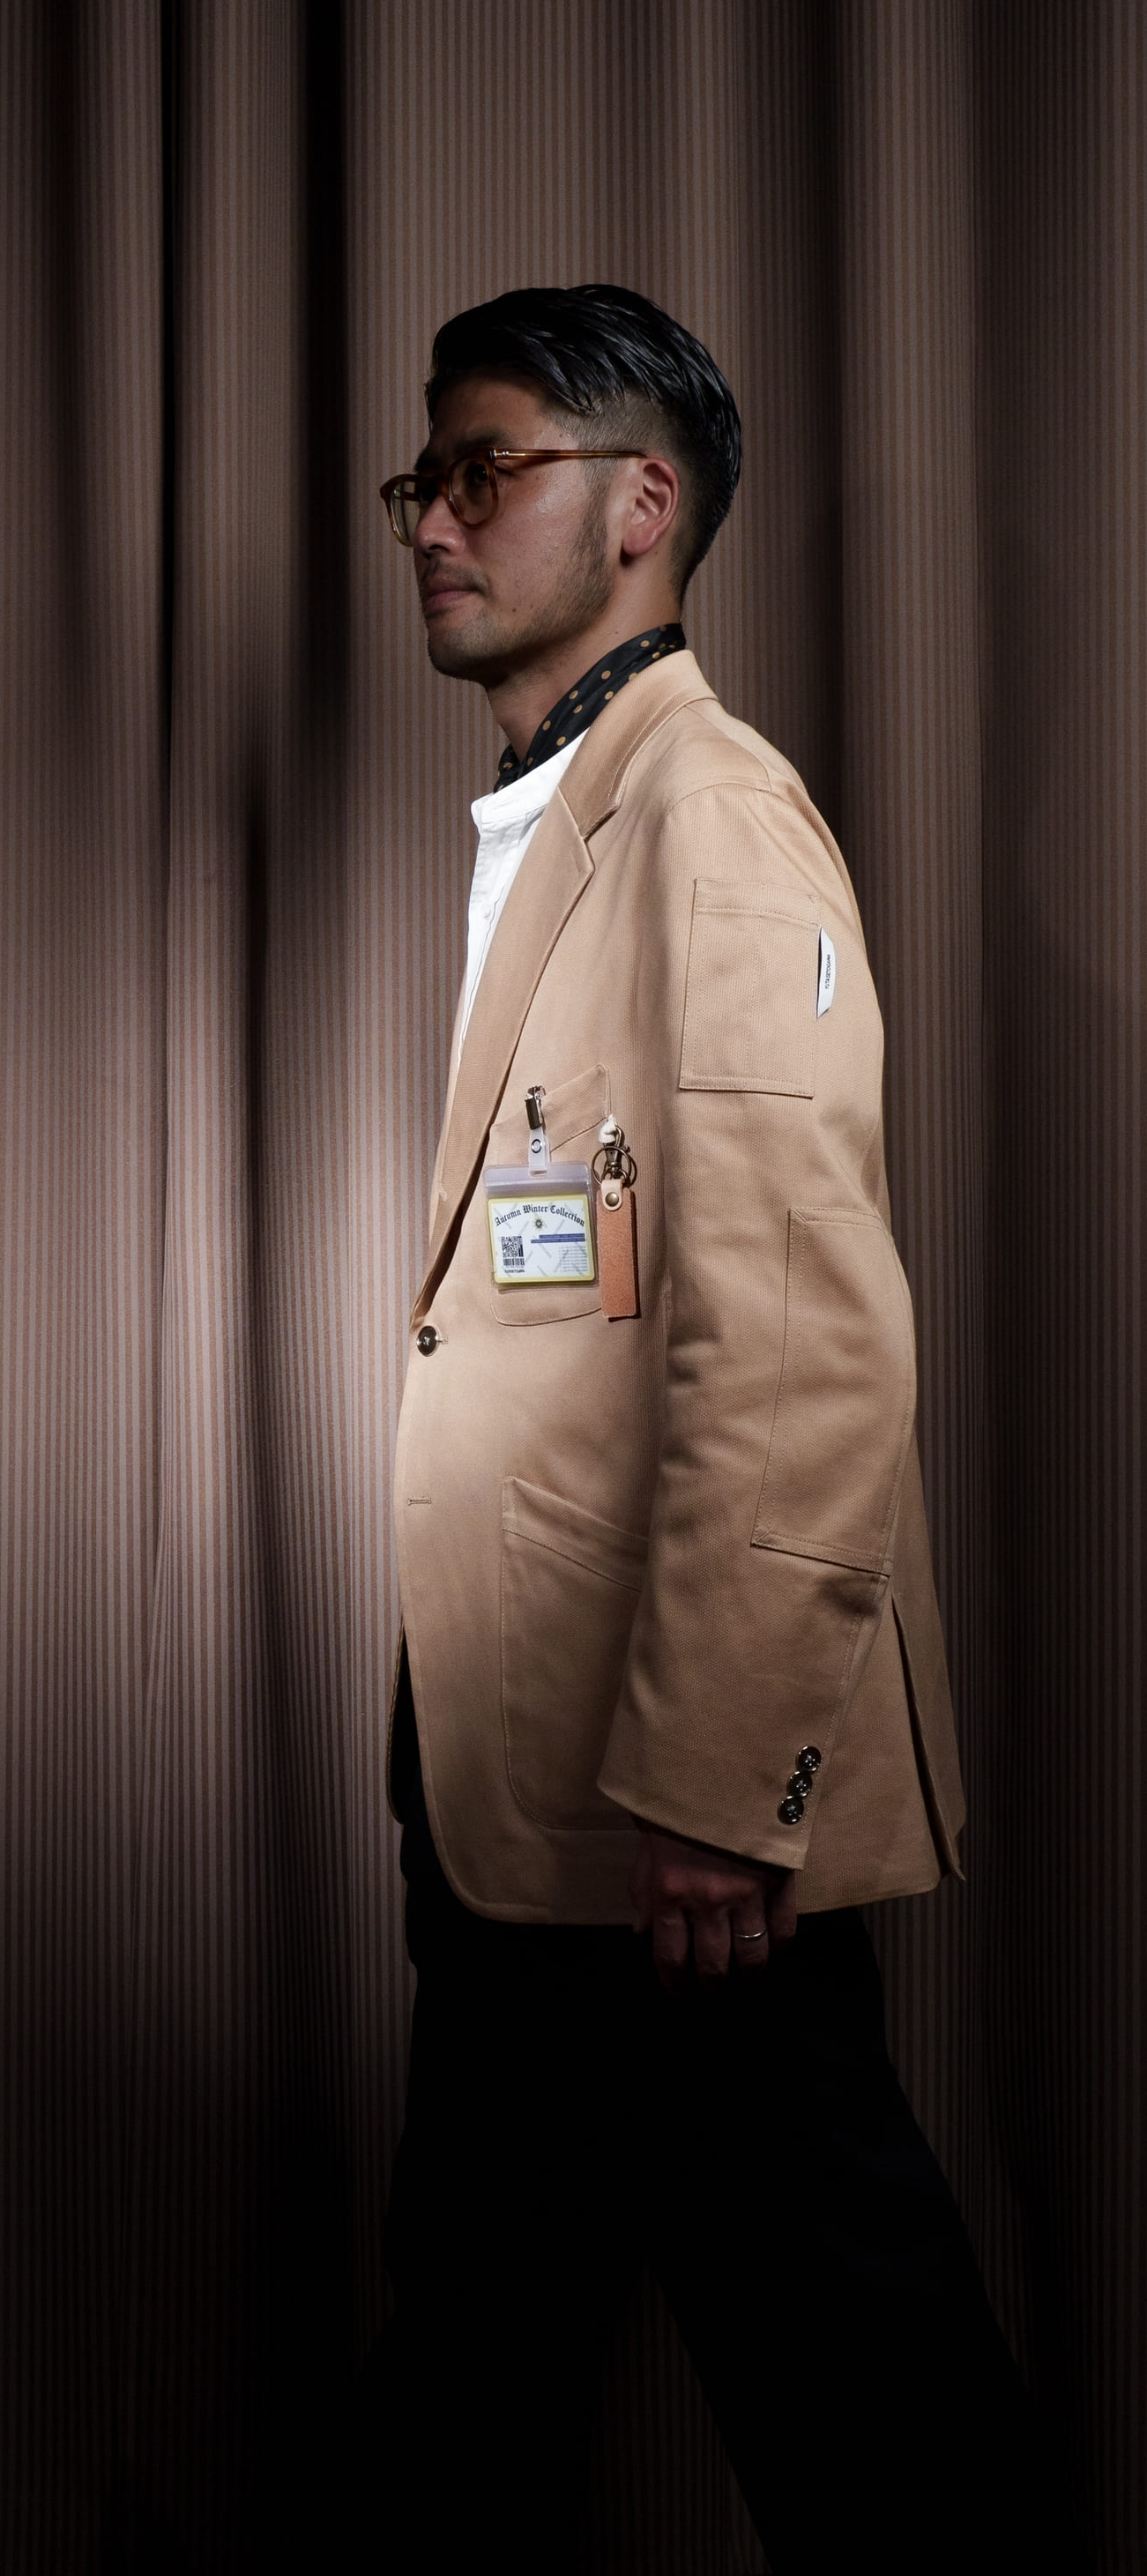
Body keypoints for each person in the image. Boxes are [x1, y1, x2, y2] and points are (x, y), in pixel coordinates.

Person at [359, 287, 1070, 2572]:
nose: (433, 521)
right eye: (424, 479)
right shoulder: (562, 819)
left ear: (642, 504)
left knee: (855, 2390)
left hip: (658, 1813)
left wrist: (719, 1780)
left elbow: (793, 1333)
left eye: (487, 470)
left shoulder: (712, 820)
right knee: (482, 2356)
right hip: (526, 1788)